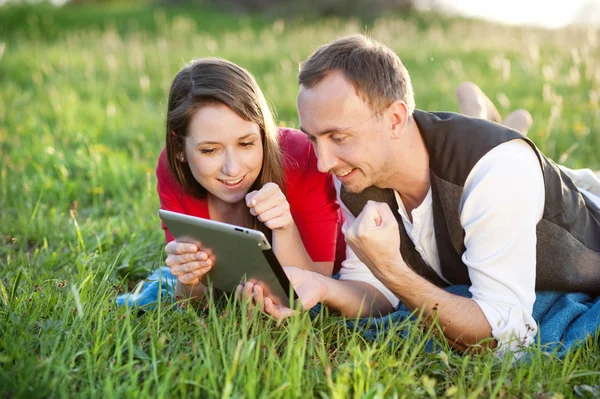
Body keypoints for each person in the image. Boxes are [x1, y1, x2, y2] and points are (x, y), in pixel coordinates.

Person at [260, 34, 600, 353]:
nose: (322, 163)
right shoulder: (355, 173)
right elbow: (374, 291)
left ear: (395, 119)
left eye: (338, 137)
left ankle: (497, 122)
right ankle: (490, 117)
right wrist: (323, 287)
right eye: (314, 139)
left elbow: (508, 335)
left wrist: (392, 268)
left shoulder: (493, 171)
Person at [156, 58, 341, 302]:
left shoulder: (302, 157)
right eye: (210, 150)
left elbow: (314, 292)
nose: (232, 169)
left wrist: (284, 227)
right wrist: (188, 279)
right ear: (179, 146)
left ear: (263, 133)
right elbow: (195, 301)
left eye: (246, 144)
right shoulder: (173, 170)